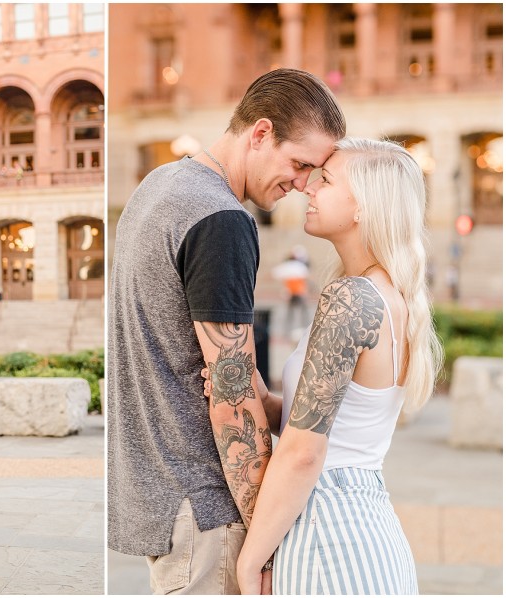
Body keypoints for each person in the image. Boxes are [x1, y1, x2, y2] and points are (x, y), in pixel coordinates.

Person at [108, 68, 346, 595]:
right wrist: (264, 538)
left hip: (161, 497)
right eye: (300, 164)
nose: (302, 182)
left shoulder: (157, 187)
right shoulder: (221, 219)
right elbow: (231, 395)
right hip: (208, 512)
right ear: (260, 133)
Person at [232, 138, 443, 594]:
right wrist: (242, 380)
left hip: (328, 539)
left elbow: (305, 451)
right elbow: (317, 421)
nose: (308, 187)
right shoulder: (387, 296)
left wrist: (249, 561)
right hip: (364, 529)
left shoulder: (353, 299)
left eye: (326, 180)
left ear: (363, 207)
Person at [272, 246, 311, 334]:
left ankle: (289, 330)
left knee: (293, 313)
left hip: (296, 293)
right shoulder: (299, 267)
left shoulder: (292, 267)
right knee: (298, 313)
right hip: (297, 293)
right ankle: (304, 329)